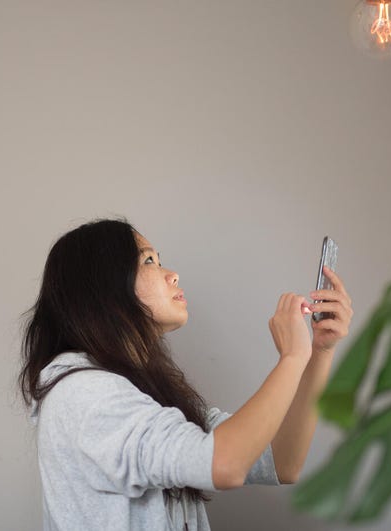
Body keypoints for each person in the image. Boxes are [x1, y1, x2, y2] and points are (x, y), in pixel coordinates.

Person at [19, 218, 354, 531]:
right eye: (148, 261)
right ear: (102, 287)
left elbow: (283, 461)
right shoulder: (83, 394)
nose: (173, 274)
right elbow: (226, 464)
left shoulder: (141, 392)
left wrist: (319, 352)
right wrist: (292, 357)